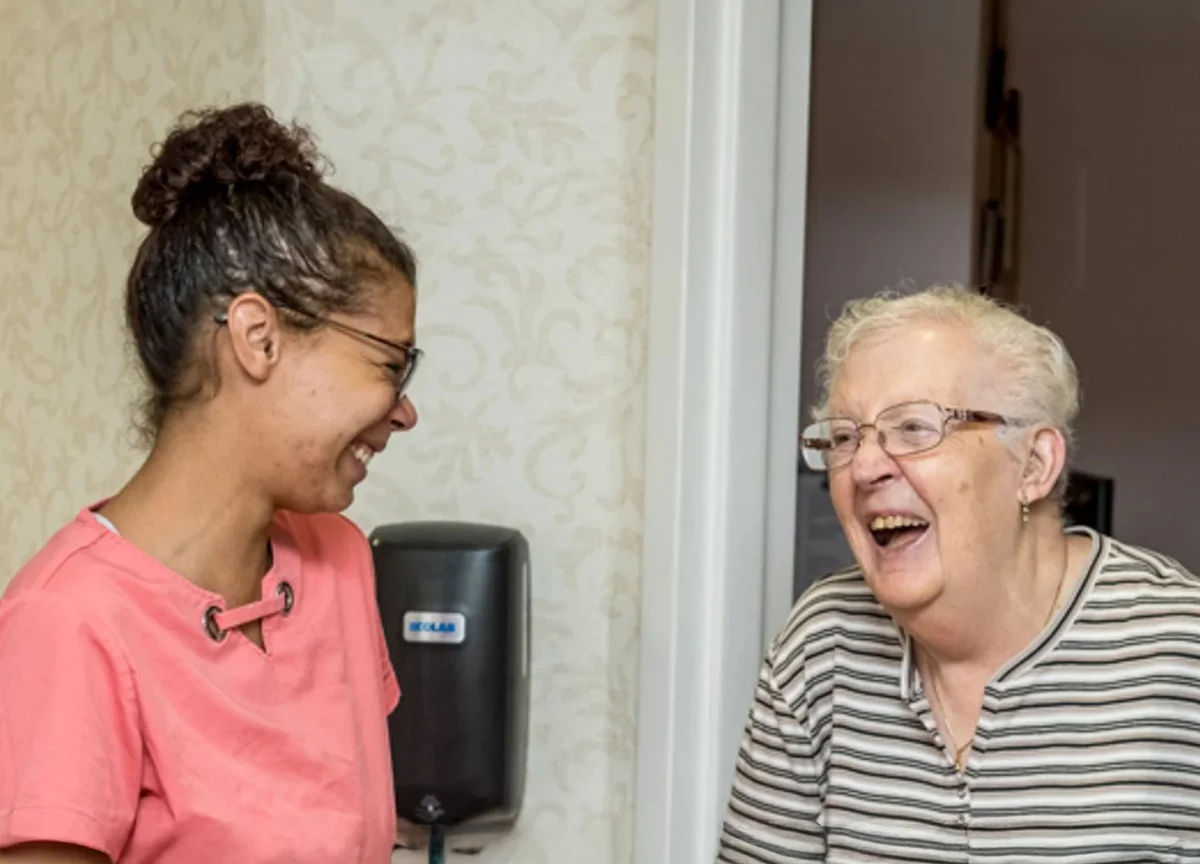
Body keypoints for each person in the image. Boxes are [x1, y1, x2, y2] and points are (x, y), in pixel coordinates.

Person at [0, 103, 422, 863]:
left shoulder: (340, 562)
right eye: (391, 364)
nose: (405, 410)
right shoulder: (68, 623)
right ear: (259, 338)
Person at [716, 284, 1200, 862]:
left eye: (915, 428)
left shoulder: (1180, 651)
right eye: (844, 438)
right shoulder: (823, 643)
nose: (864, 466)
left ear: (1034, 464)